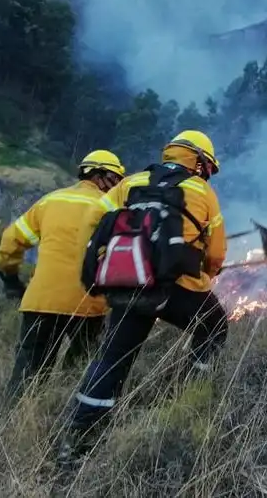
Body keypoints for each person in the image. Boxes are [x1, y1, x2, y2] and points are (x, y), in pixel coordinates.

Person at [56, 130, 229, 464]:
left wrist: (99, 263)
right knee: (214, 326)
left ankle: (78, 443)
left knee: (112, 358)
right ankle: (189, 396)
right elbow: (217, 252)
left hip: (127, 280)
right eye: (207, 166)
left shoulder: (132, 182)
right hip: (175, 286)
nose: (208, 173)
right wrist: (208, 272)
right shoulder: (201, 190)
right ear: (198, 161)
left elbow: (94, 219)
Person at [0, 149, 126, 403]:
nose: (118, 185)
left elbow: (11, 240)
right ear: (102, 176)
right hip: (87, 304)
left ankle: (13, 423)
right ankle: (60, 416)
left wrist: (10, 279)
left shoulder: (50, 201)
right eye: (116, 179)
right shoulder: (111, 209)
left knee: (28, 372)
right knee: (79, 372)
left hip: (41, 300)